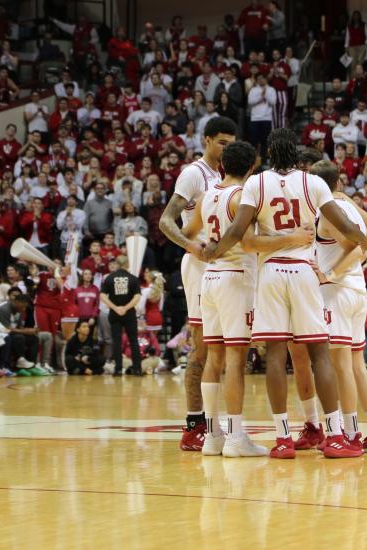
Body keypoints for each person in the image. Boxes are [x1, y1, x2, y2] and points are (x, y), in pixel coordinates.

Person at [201, 128, 367, 459]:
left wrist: (213, 251)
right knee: (319, 353)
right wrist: (360, 239)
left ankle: (282, 438)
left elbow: (238, 232)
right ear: (295, 152)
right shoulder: (313, 183)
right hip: (304, 271)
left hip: (271, 272)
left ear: (270, 153)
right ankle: (334, 435)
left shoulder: (256, 183)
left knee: (275, 355)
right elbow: (348, 227)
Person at [185, 140, 303, 457]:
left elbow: (187, 233)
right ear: (252, 168)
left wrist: (202, 252)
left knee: (214, 359)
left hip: (208, 279)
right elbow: (249, 244)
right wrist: (292, 238)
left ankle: (213, 437)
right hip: (236, 279)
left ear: (223, 165)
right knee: (236, 361)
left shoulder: (207, 195)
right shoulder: (242, 197)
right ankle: (236, 438)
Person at [158, 116, 238, 452]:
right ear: (206, 140)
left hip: (223, 265)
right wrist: (193, 247)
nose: (226, 148)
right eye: (221, 142)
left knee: (223, 349)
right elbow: (165, 221)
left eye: (231, 143)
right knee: (203, 347)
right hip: (200, 266)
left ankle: (216, 424)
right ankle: (193, 426)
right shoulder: (194, 173)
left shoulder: (227, 176)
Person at [312, 160, 367, 452]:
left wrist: (330, 273)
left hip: (338, 292)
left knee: (341, 366)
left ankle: (351, 435)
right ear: (340, 183)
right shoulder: (345, 204)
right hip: (358, 290)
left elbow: (358, 247)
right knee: (358, 365)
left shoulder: (328, 214)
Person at [100, 255, 142, 376]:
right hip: (129, 313)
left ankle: (118, 369)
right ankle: (137, 369)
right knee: (133, 341)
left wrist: (115, 307)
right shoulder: (133, 279)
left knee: (116, 341)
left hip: (115, 313)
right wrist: (126, 307)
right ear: (128, 265)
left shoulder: (109, 278)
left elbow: (102, 296)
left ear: (117, 264)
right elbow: (137, 296)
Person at [0, 293, 44, 375]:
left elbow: (19, 328)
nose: (24, 309)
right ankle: (20, 363)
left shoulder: (18, 310)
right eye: (23, 306)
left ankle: (31, 365)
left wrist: (30, 330)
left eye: (25, 307)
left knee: (33, 339)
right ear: (16, 302)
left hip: (12, 334)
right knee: (19, 337)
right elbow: (5, 329)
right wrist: (25, 331)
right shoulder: (4, 309)